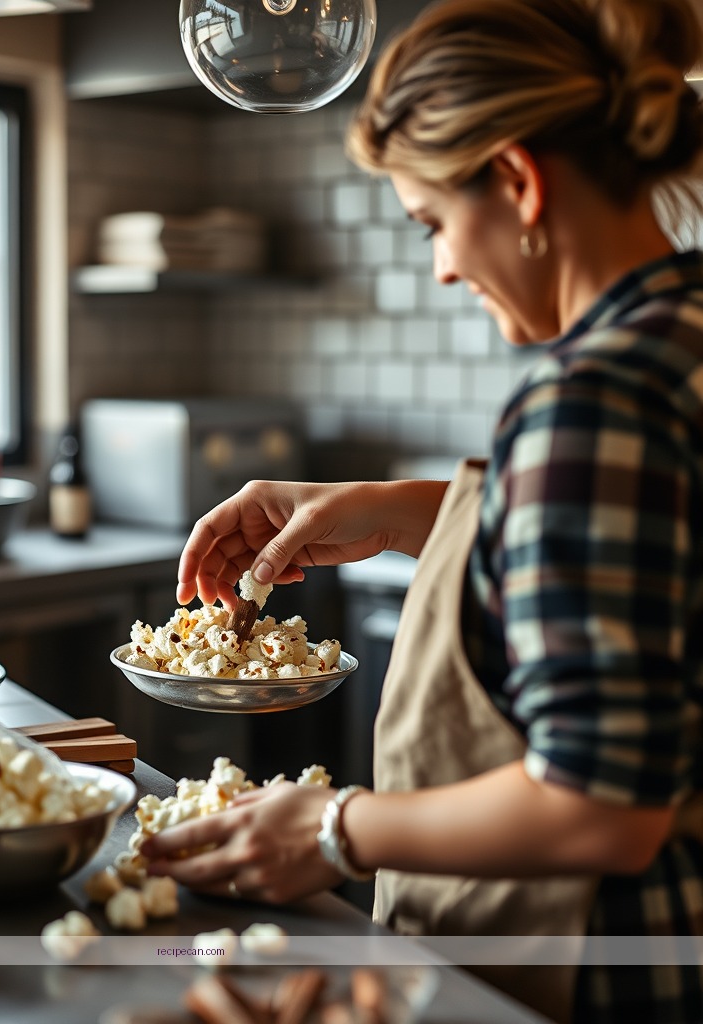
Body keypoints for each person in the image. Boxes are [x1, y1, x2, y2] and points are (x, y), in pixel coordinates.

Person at [139, 1, 703, 1021]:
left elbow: (602, 809)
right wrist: (402, 513)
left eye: (434, 223)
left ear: (519, 183)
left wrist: (332, 828)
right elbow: (659, 542)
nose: (444, 266)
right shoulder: (683, 334)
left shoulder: (596, 397)